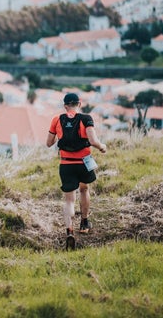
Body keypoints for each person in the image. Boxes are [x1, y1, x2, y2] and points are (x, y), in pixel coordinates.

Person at [46, 93, 107, 250]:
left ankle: (69, 231)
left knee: (69, 200)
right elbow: (93, 141)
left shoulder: (56, 119)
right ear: (79, 104)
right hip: (84, 162)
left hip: (66, 163)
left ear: (65, 106)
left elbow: (49, 143)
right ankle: (84, 223)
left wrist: (60, 135)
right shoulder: (86, 119)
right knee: (84, 188)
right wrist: (102, 147)